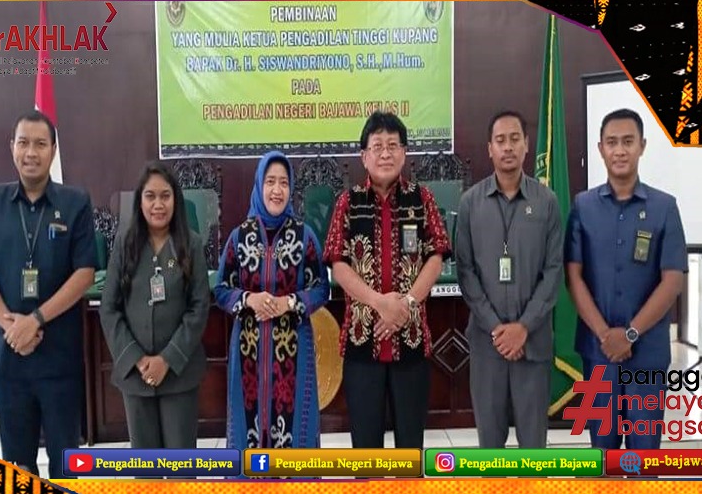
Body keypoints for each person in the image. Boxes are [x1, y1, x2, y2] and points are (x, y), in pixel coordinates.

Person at [0, 110, 96, 479]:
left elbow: (85, 273)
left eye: (40, 144)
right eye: (23, 143)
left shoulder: (75, 202)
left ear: (53, 150)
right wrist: (14, 328)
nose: (31, 152)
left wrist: (36, 320)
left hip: (59, 359)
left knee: (66, 468)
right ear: (11, 147)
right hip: (10, 362)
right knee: (18, 469)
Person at [323, 110, 451, 449]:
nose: (385, 154)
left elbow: (436, 256)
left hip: (411, 342)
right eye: (377, 146)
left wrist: (405, 304)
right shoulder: (347, 203)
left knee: (410, 446)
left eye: (392, 145)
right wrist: (380, 303)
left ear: (404, 153)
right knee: (366, 449)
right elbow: (338, 264)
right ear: (363, 156)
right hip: (361, 345)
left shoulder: (422, 199)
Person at [564, 108, 687, 449]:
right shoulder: (583, 206)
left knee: (644, 454)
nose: (620, 150)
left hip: (647, 354)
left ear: (642, 146)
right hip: (597, 353)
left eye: (628, 142)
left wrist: (630, 333)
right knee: (602, 453)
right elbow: (574, 277)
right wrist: (606, 335)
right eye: (612, 142)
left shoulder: (665, 207)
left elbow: (673, 280)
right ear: (600, 148)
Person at [455, 110, 563, 449]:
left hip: (533, 344)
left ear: (527, 144)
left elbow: (553, 271)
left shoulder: (547, 202)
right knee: (490, 448)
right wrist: (497, 329)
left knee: (533, 447)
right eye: (500, 140)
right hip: (487, 345)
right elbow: (466, 272)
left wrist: (523, 327)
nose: (508, 147)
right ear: (489, 148)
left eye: (515, 139)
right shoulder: (470, 203)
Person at [214, 151, 330, 449]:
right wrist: (248, 299)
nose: (277, 190)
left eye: (283, 182)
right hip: (248, 351)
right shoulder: (239, 237)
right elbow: (222, 289)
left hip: (293, 350)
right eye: (270, 182)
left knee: (295, 435)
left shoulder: (304, 236)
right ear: (259, 185)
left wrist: (288, 303)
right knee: (248, 437)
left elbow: (321, 288)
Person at [99, 162, 210, 451]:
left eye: (165, 196)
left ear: (176, 200)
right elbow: (109, 308)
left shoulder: (191, 244)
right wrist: (138, 359)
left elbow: (199, 308)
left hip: (179, 374)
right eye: (150, 196)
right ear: (140, 201)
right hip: (135, 375)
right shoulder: (125, 244)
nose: (158, 204)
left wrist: (167, 359)